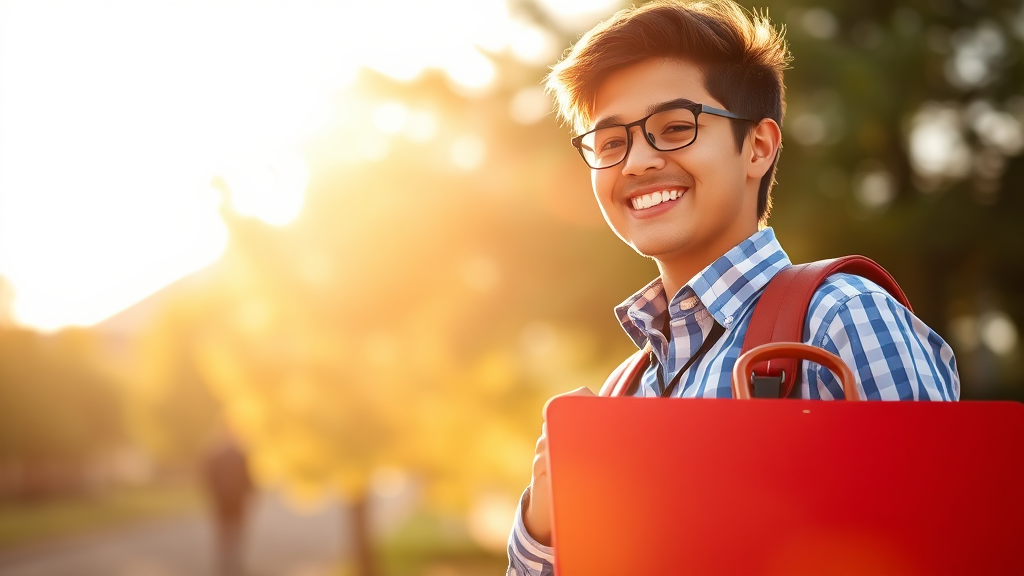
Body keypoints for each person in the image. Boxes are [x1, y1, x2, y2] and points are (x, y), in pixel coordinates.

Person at [505, 1, 960, 574]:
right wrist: (545, 529)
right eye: (610, 141)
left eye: (674, 128)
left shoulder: (842, 318)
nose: (639, 161)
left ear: (759, 147)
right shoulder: (625, 391)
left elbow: (943, 549)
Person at [202, 432, 255, 576]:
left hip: (229, 498)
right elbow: (208, 477)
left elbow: (249, 477)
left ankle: (228, 559)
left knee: (229, 529)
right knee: (231, 529)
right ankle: (229, 559)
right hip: (230, 498)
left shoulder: (232, 455)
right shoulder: (238, 455)